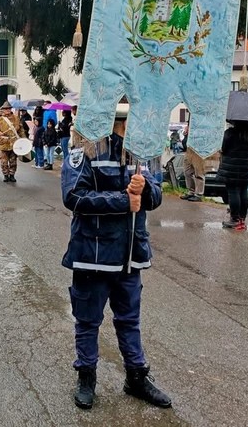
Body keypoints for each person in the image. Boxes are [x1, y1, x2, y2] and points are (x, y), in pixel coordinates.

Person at [61, 103, 170, 410]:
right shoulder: (85, 148)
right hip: (92, 254)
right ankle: (86, 376)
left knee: (129, 320)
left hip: (130, 253)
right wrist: (124, 199)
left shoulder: (145, 152)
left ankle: (136, 377)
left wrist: (145, 189)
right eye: (127, 122)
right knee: (88, 320)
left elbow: (157, 195)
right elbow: (73, 196)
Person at [217, 120, 248, 230]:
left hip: (231, 166)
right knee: (244, 191)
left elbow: (223, 148)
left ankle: (234, 219)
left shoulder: (230, 133)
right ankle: (241, 219)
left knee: (233, 191)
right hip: (246, 167)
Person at [0, 101, 26, 182]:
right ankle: (6, 175)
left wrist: (24, 139)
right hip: (3, 143)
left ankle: (12, 174)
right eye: (5, 109)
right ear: (3, 110)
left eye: (9, 108)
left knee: (13, 161)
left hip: (14, 143)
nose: (7, 110)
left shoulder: (16, 118)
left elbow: (21, 130)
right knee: (4, 161)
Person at [180, 123, 204, 202]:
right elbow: (184, 143)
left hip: (198, 152)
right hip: (189, 151)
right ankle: (191, 191)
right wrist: (186, 134)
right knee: (187, 172)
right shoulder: (190, 127)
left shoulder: (202, 128)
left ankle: (199, 194)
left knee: (199, 174)